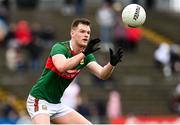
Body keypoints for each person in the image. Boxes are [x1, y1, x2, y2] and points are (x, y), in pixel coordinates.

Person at [26, 18, 123, 124]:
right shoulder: (60, 48)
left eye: (88, 32)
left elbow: (102, 74)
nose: (86, 35)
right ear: (72, 33)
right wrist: (84, 54)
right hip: (39, 100)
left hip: (56, 104)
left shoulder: (86, 55)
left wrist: (111, 64)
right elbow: (61, 66)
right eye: (82, 31)